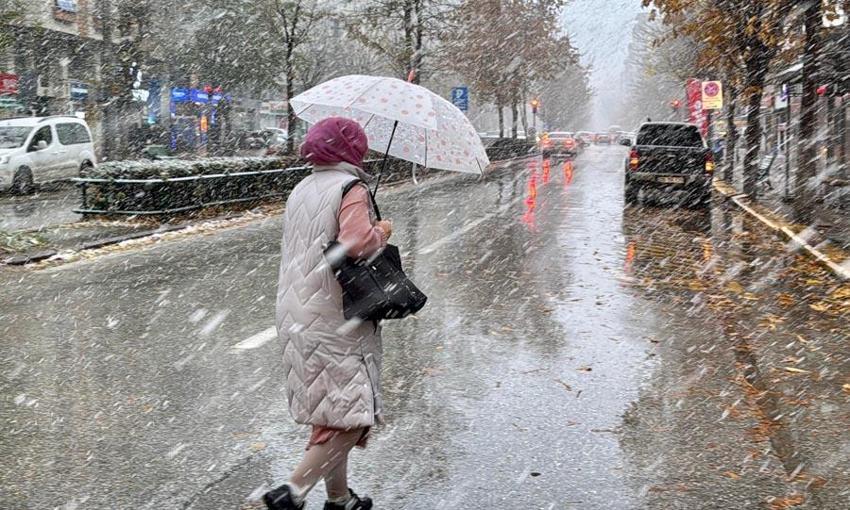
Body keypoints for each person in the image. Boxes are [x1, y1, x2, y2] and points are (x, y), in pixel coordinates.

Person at [265, 117, 392, 510]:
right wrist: (381, 232)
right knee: (354, 417)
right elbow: (356, 244)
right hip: (334, 313)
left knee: (333, 413)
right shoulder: (350, 188)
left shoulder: (302, 187)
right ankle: (292, 491)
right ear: (352, 150)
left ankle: (339, 499)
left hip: (295, 310)